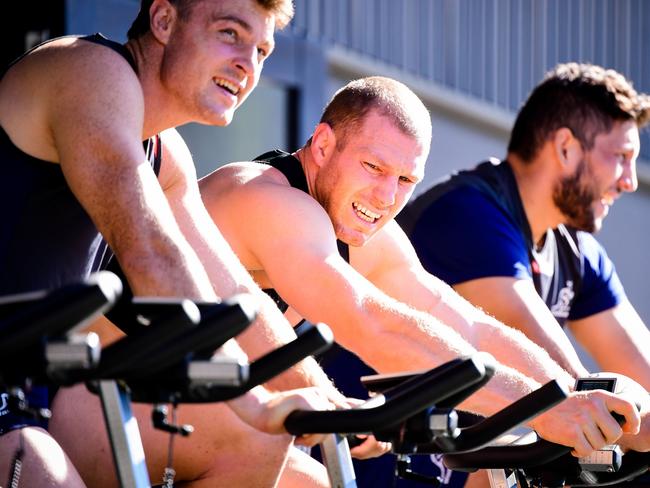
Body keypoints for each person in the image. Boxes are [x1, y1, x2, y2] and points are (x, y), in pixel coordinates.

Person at [199, 75, 647, 486]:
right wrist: (547, 409)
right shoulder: (269, 200)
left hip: (202, 419)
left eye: (406, 179)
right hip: (142, 406)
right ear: (321, 145)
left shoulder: (362, 229)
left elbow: (469, 327)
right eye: (373, 167)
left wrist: (569, 396)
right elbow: (373, 325)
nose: (386, 196)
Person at [0, 1, 352, 487]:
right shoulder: (89, 72)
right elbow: (152, 256)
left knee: (276, 452)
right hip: (19, 395)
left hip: (32, 389)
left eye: (263, 51)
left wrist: (329, 408)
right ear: (164, 21)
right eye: (230, 33)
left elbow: (232, 294)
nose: (248, 64)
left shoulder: (166, 154)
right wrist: (250, 396)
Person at [398, 62, 650, 485]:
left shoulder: (577, 251)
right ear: (566, 148)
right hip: (372, 465)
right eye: (621, 158)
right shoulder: (467, 214)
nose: (629, 182)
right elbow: (574, 394)